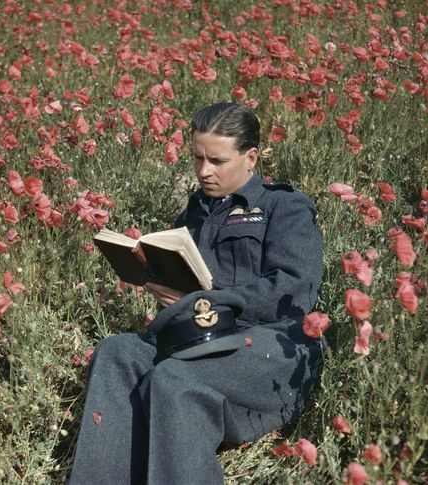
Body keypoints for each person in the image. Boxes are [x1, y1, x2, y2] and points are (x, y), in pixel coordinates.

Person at [68, 102, 325, 485]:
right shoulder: (196, 210)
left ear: (250, 157)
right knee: (117, 353)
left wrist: (210, 300)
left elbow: (295, 291)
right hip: (200, 338)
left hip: (273, 349)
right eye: (197, 158)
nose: (204, 171)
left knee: (173, 379)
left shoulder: (283, 207)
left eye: (217, 161)